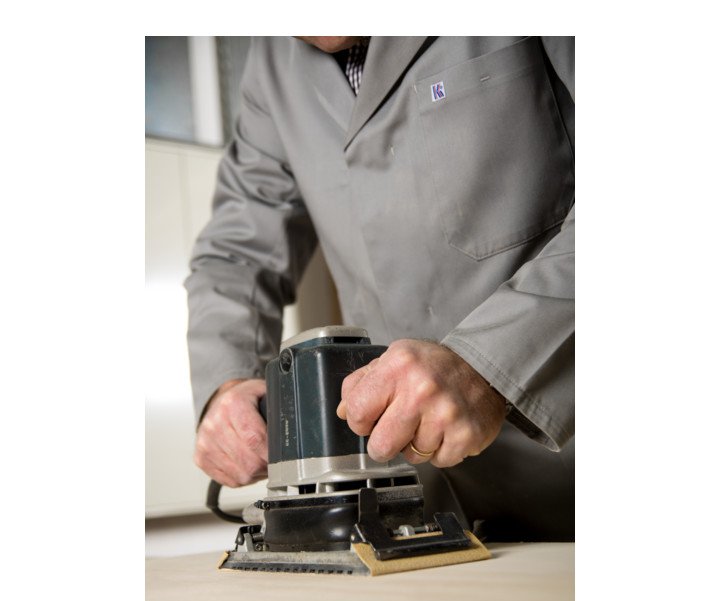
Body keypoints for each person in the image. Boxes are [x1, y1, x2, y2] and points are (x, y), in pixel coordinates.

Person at [185, 36, 575, 541]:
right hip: (419, 500)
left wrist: (488, 362)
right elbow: (237, 255)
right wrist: (226, 384)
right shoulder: (271, 61)